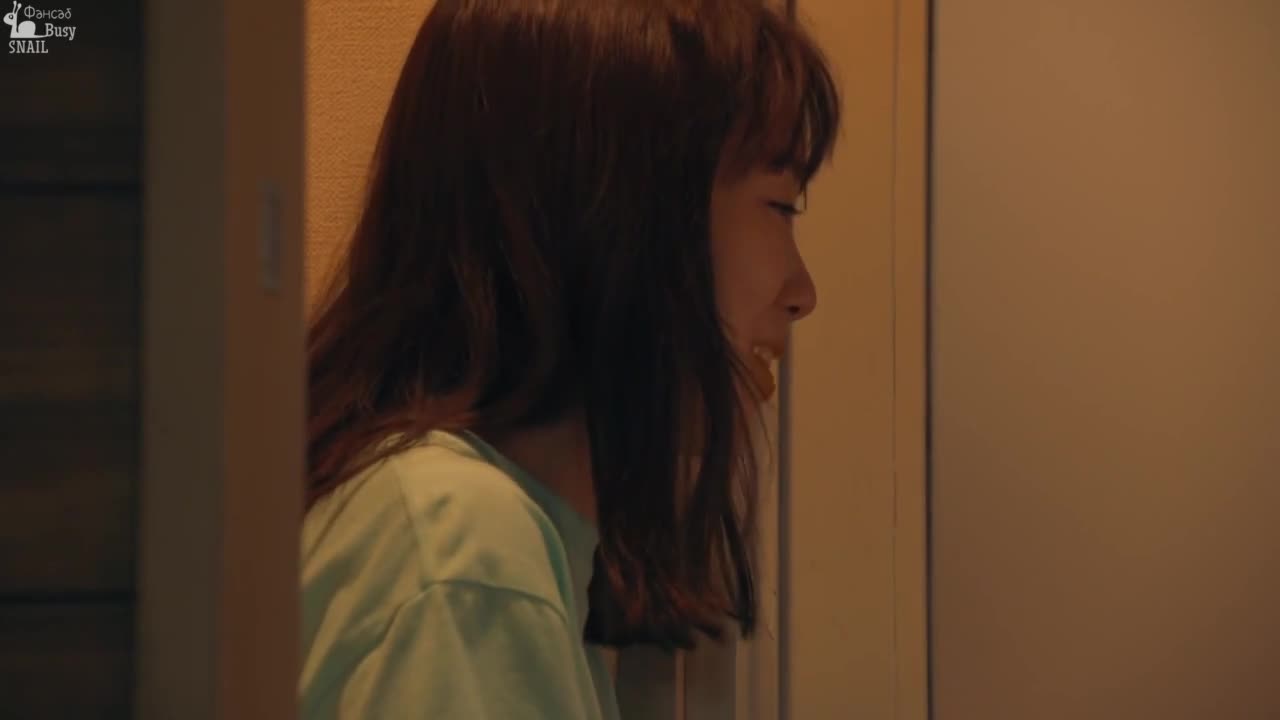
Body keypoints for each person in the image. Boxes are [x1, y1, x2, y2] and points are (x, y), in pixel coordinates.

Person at [299, 0, 839, 717]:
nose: (802, 293)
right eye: (781, 206)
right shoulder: (467, 558)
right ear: (622, 217)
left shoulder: (466, 536)